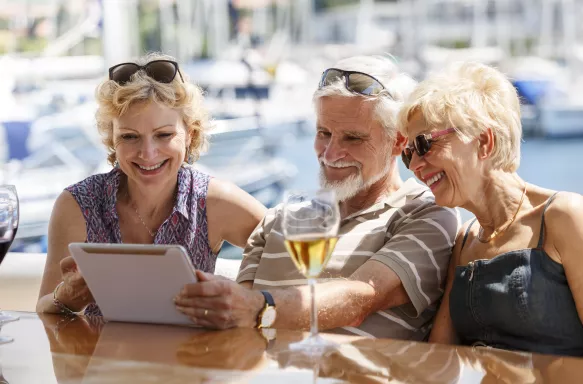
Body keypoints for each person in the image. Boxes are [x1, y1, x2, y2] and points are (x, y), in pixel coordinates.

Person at [173, 55, 459, 340]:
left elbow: (362, 297)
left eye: (353, 138)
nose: (331, 154)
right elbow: (237, 325)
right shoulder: (276, 220)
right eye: (324, 133)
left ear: (397, 141)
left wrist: (260, 308)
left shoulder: (426, 214)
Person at [36, 53, 266, 316]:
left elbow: (288, 252)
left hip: (193, 356)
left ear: (189, 134)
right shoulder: (76, 204)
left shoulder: (212, 200)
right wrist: (66, 297)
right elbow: (44, 308)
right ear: (112, 139)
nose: (148, 153)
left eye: (164, 135)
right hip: (102, 356)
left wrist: (248, 293)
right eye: (130, 136)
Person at [397, 61, 583, 356]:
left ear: (483, 141)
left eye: (424, 144)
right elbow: (439, 356)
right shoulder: (465, 241)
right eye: (407, 155)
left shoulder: (564, 216)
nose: (415, 167)